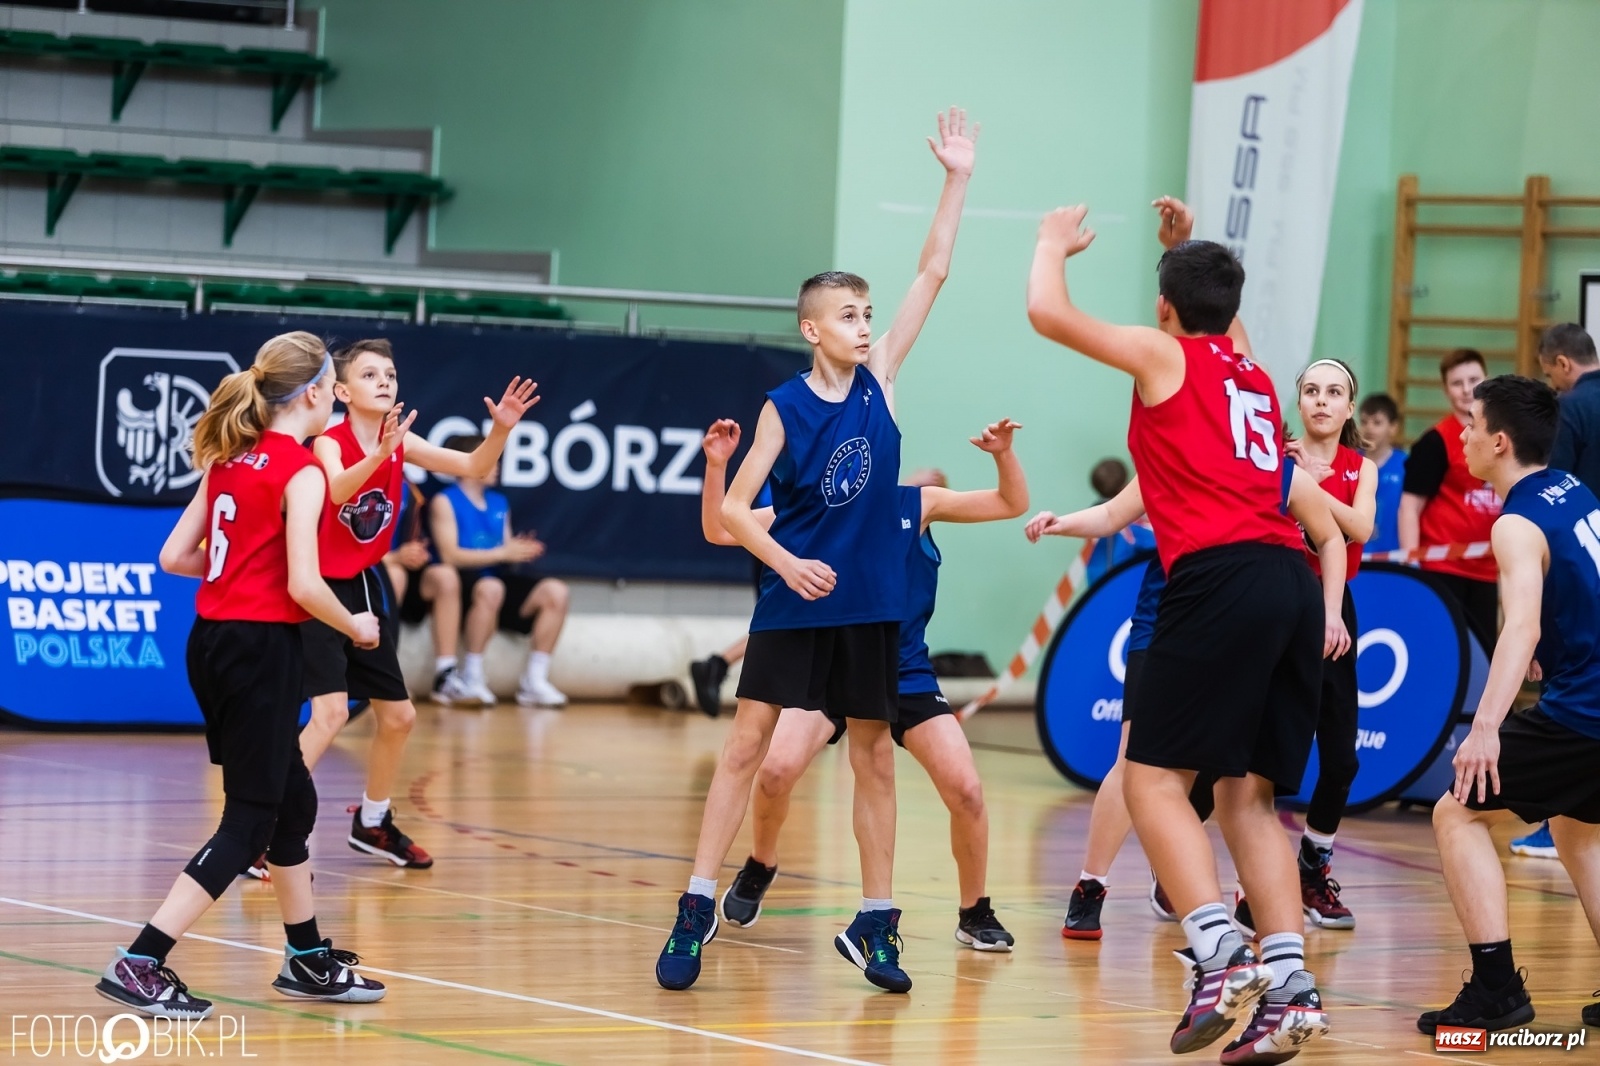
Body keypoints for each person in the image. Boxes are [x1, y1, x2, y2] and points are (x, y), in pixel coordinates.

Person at [653, 107, 977, 995]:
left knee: (874, 757)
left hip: (873, 603)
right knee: (747, 750)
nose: (866, 323)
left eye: (868, 312)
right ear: (811, 328)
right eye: (848, 313)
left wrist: (956, 177)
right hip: (799, 601)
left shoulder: (882, 381)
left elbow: (934, 271)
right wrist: (784, 560)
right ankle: (695, 902)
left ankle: (876, 923)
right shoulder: (783, 408)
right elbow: (734, 518)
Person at [1028, 193, 1348, 1061]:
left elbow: (1046, 312)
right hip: (1290, 577)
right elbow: (1218, 316)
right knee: (1250, 800)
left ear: (1165, 307)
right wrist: (1188, 251)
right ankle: (1291, 986)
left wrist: (1053, 243)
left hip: (1220, 578)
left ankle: (1216, 946)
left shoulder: (1162, 353)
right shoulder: (1248, 370)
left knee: (1150, 779)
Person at [96, 332, 386, 1018]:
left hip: (214, 644)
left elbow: (174, 556)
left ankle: (307, 959)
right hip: (261, 650)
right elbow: (308, 584)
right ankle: (141, 961)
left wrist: (236, 571)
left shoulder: (230, 459)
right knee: (251, 819)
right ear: (317, 393)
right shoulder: (302, 469)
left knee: (294, 802)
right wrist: (357, 627)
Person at [702, 416, 1027, 952]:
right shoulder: (811, 506)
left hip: (904, 670)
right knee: (776, 770)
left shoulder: (917, 505)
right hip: (838, 662)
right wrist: (718, 468)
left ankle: (975, 910)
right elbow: (720, 527)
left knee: (966, 790)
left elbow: (1010, 503)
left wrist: (1003, 454)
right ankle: (762, 860)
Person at [1029, 458, 1344, 942]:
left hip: (1240, 631)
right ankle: (1091, 887)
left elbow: (1340, 532)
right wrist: (1059, 523)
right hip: (1163, 628)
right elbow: (1113, 513)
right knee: (1135, 764)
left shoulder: (1279, 476)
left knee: (1241, 784)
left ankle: (1245, 903)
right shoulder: (1175, 459)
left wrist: (1330, 612)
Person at [295, 340, 540, 872]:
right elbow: (337, 491)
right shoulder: (327, 442)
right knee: (330, 713)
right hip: (315, 588)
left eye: (390, 373)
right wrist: (381, 455)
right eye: (369, 374)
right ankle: (265, 830)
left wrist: (502, 428)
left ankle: (373, 822)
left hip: (362, 585)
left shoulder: (402, 441)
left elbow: (475, 463)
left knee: (401, 717)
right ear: (341, 391)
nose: (384, 381)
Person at [1419, 374, 1600, 1037]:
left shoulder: (1517, 521)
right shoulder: (1574, 490)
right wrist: (1562, 638)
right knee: (1581, 828)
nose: (1460, 435)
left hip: (1586, 713)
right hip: (1591, 693)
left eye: (1470, 424)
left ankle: (1495, 989)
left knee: (1455, 810)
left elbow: (1519, 626)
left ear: (1498, 441)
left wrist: (1486, 728)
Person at [1278, 358, 1377, 930]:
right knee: (1252, 755)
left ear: (1348, 407)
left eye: (1333, 392)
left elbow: (1360, 530)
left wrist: (1311, 485)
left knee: (1340, 758)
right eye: (1311, 391)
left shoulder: (1357, 467)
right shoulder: (1274, 454)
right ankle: (1187, 873)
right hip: (1279, 601)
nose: (1321, 400)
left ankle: (1312, 870)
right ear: (1299, 403)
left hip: (1336, 610)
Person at [1507, 325, 1600, 861]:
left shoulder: (1571, 411)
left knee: (1566, 678)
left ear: (1562, 364)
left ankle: (1549, 811)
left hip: (1572, 562)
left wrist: (1487, 729)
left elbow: (1548, 483)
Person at [430, 434, 572, 708]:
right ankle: (472, 675)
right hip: (468, 583)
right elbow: (450, 555)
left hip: (497, 579)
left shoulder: (499, 503)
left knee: (556, 592)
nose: (497, 466)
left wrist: (519, 549)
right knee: (491, 589)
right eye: (491, 460)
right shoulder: (445, 501)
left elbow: (504, 551)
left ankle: (534, 680)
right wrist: (503, 552)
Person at [1400, 349, 1502, 649]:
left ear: (1487, 380)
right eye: (1457, 383)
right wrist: (1411, 565)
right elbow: (1409, 507)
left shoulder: (1502, 438)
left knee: (1483, 653)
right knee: (1443, 650)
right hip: (1442, 569)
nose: (1467, 389)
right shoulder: (1435, 442)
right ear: (1446, 390)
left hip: (1486, 569)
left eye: (1474, 379)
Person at [1084, 456, 1156, 584]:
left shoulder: (1093, 522)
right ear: (1125, 484)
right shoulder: (1133, 527)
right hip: (1129, 584)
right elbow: (1155, 543)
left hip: (1102, 587)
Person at [1359, 393, 1406, 554]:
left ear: (1393, 427)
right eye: (1364, 422)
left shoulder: (1406, 465)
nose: (1369, 428)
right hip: (1357, 559)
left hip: (1393, 558)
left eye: (1377, 422)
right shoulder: (1350, 462)